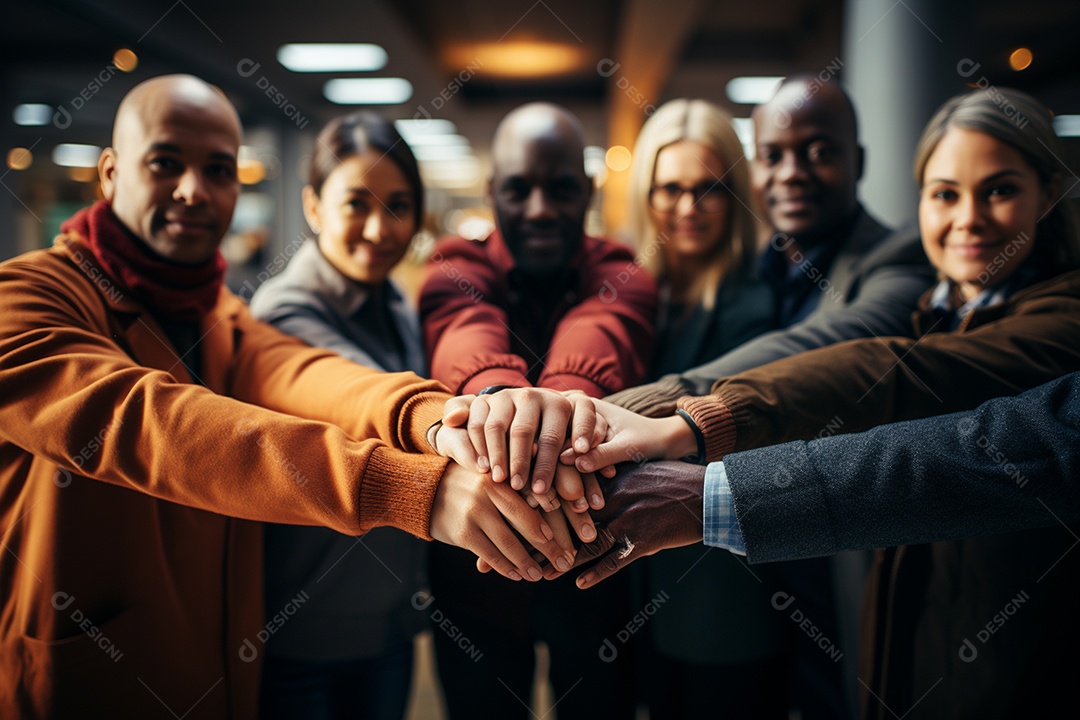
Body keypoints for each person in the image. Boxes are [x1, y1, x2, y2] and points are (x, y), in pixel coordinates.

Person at [0, 74, 586, 719]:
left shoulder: (220, 314)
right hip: (95, 678)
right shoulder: (25, 297)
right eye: (166, 163)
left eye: (220, 170)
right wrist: (411, 487)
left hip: (222, 663)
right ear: (109, 173)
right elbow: (148, 422)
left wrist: (435, 422)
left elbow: (304, 373)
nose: (195, 191)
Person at [572, 87, 1080, 719]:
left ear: (1051, 191)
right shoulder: (924, 301)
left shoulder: (946, 287)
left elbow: (882, 366)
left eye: (999, 189)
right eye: (946, 193)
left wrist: (679, 416)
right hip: (869, 605)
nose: (969, 218)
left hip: (962, 637)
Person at [610, 75, 935, 720]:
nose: (793, 172)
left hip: (844, 566)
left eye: (819, 150)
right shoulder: (762, 265)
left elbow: (827, 342)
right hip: (758, 569)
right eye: (774, 155)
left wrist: (658, 403)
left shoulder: (897, 258)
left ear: (859, 162)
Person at [418, 102, 656, 720]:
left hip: (596, 569)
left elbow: (601, 324)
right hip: (477, 580)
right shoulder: (454, 263)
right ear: (492, 190)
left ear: (590, 191)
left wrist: (564, 401)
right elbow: (466, 328)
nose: (542, 209)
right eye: (520, 189)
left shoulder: (622, 267)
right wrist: (499, 400)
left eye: (562, 188)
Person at [248, 113, 427, 719]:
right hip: (308, 631)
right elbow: (366, 395)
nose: (379, 228)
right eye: (357, 203)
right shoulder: (284, 309)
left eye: (399, 205)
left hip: (391, 625)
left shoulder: (399, 305)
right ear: (314, 207)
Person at [623, 98, 787, 720]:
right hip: (643, 577)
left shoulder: (756, 301)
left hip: (724, 581)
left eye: (709, 190)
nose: (687, 209)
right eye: (670, 189)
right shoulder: (638, 292)